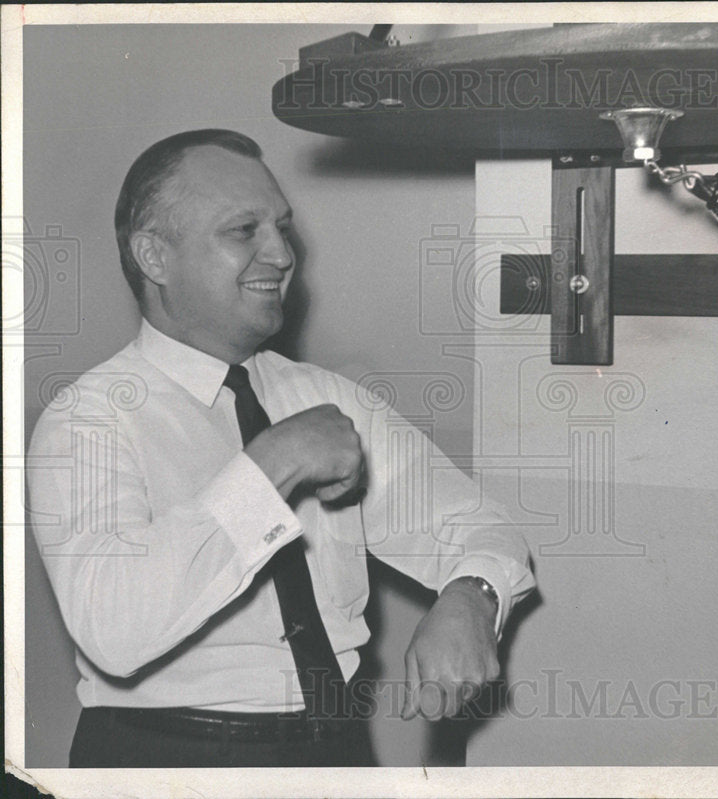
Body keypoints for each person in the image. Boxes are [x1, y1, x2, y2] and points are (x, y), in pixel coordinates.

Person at [27, 129, 536, 767]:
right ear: (154, 257)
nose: (281, 253)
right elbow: (114, 631)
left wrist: (471, 595)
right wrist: (274, 463)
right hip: (164, 764)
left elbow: (477, 524)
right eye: (244, 230)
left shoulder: (326, 398)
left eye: (282, 227)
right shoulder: (88, 420)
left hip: (337, 755)